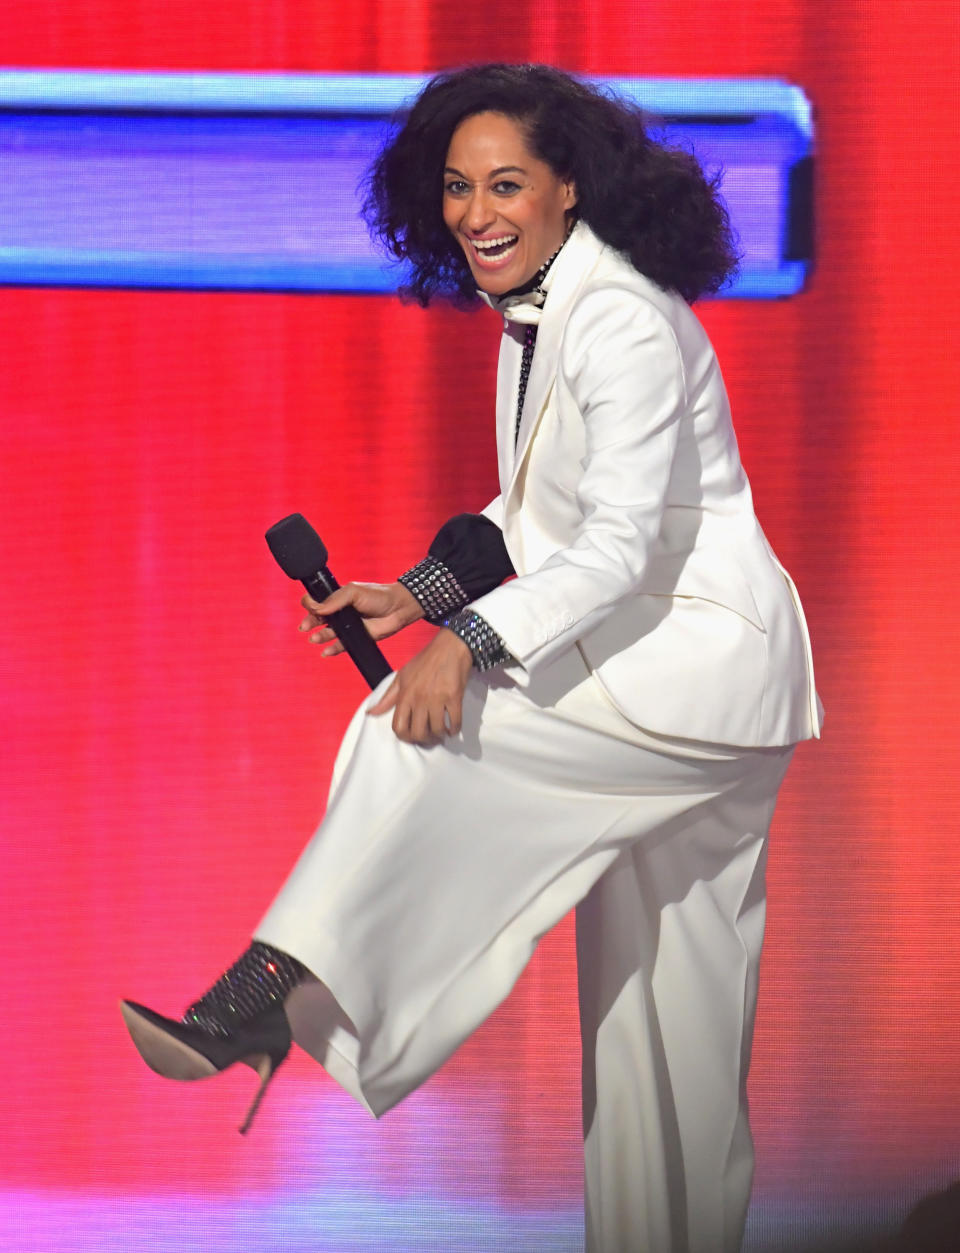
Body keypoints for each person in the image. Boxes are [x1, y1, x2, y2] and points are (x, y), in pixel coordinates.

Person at [120, 63, 821, 1253]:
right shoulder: (548, 312)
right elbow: (536, 510)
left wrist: (469, 640)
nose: (475, 213)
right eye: (455, 187)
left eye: (505, 184)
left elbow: (616, 541)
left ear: (569, 189)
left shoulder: (625, 320)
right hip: (692, 690)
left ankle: (270, 993)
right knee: (661, 1039)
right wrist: (420, 592)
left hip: (690, 673)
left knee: (411, 736)